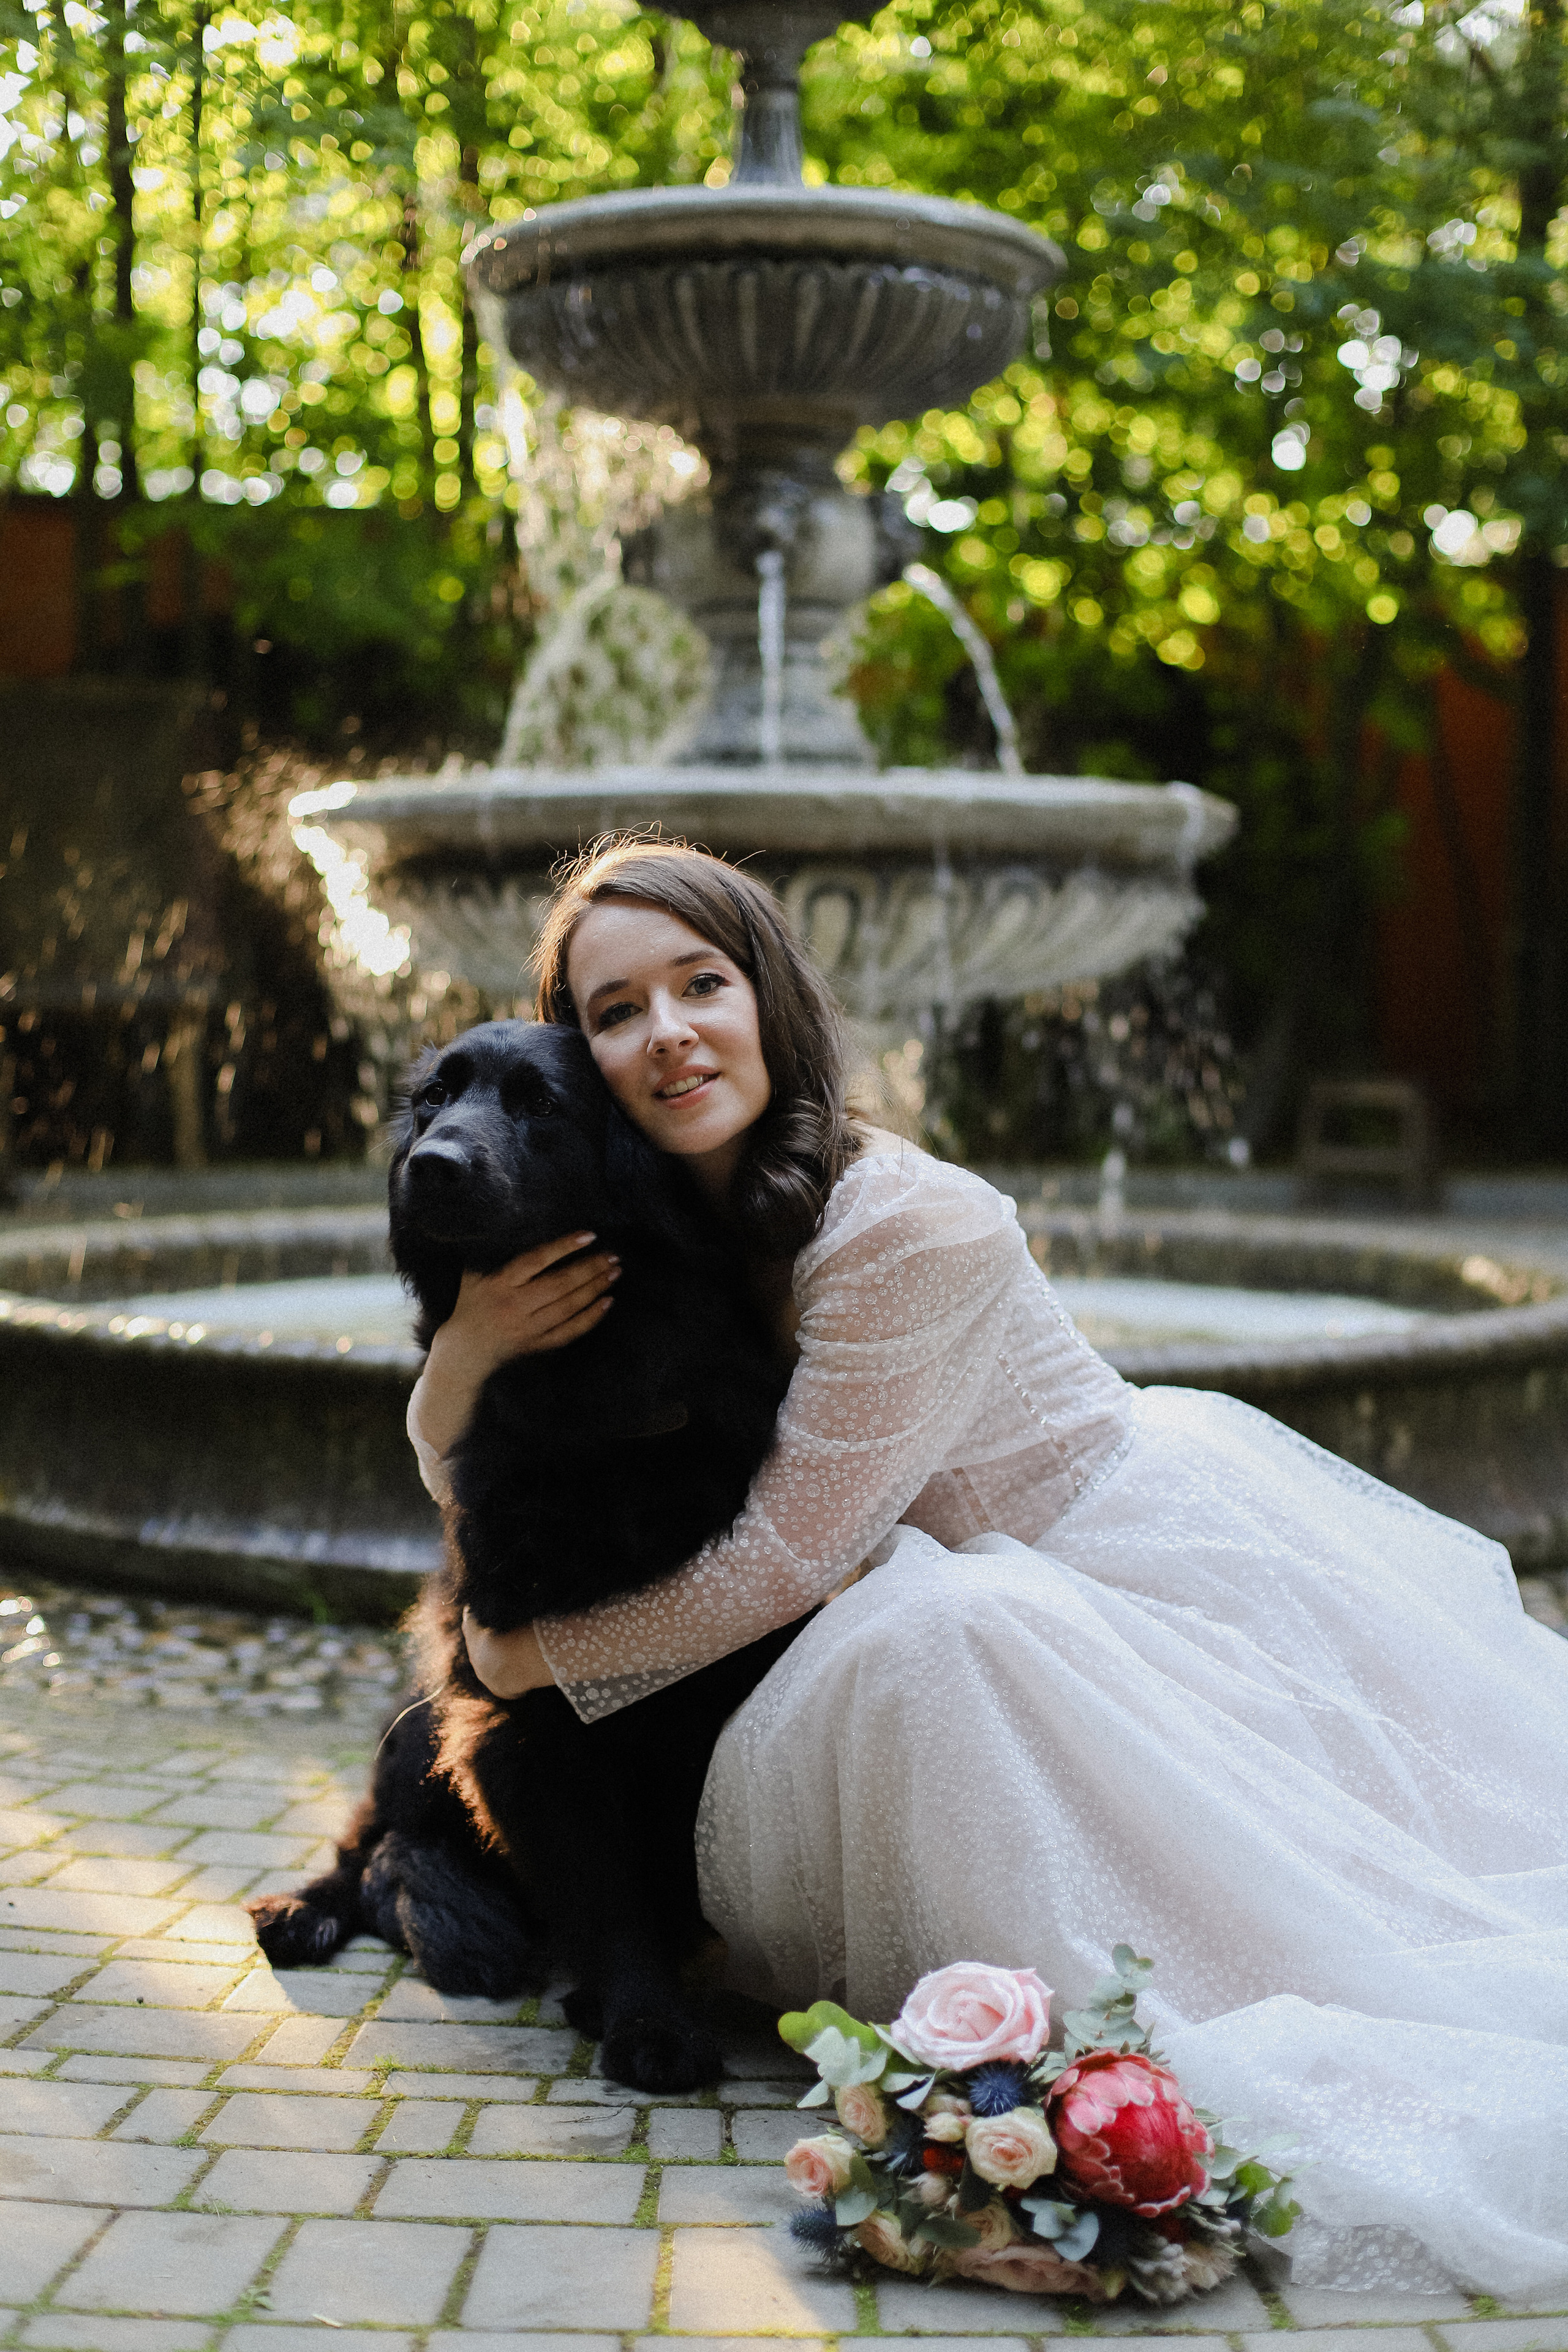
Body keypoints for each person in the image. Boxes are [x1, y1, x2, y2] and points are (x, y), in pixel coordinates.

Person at [407, 838, 1568, 2301]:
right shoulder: (659, 1221)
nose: (668, 1034)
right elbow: (503, 1461)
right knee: (928, 1630)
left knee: (976, 1667)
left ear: (767, 996)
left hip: (1113, 1576)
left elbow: (791, 1551)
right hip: (943, 1598)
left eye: (700, 985)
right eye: (615, 1011)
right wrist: (463, 1357)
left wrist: (525, 1662)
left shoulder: (903, 1221)